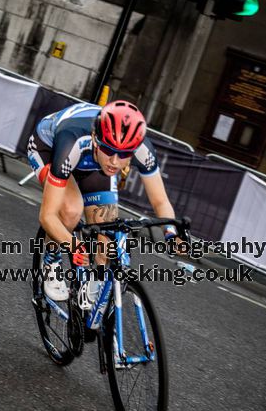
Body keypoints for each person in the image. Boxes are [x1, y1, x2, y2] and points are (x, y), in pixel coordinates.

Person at [27, 100, 180, 301]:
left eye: (124, 154)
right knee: (71, 210)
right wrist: (73, 245)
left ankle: (91, 302)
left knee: (107, 241)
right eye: (109, 149)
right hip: (49, 147)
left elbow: (160, 201)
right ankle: (51, 259)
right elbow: (47, 216)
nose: (115, 161)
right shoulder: (72, 140)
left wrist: (171, 233)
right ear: (95, 138)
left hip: (94, 165)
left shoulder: (142, 149)